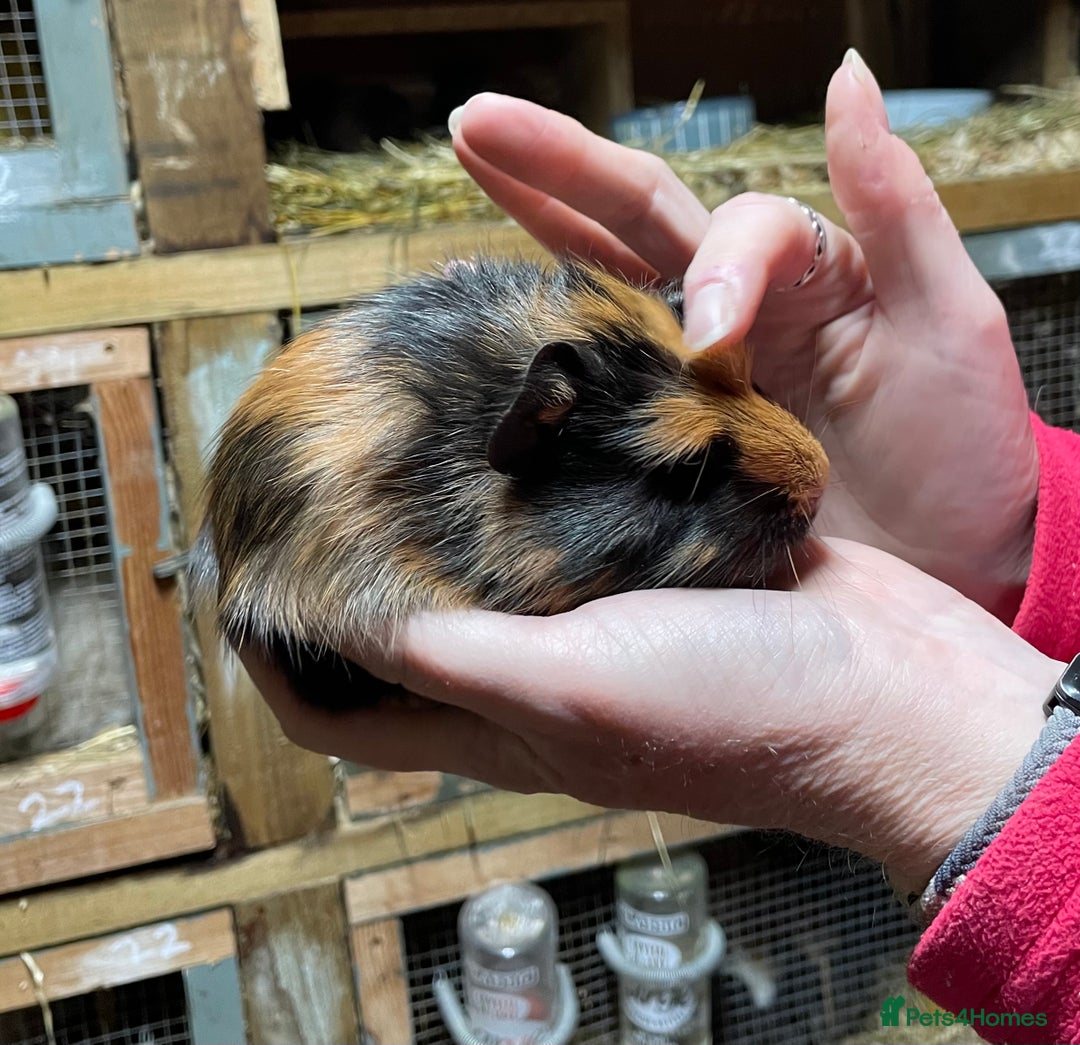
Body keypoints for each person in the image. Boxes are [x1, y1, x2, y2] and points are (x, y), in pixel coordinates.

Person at [240, 50, 1080, 1042]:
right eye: (686, 471)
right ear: (535, 449)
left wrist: (931, 732)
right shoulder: (413, 514)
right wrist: (1015, 546)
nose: (800, 468)